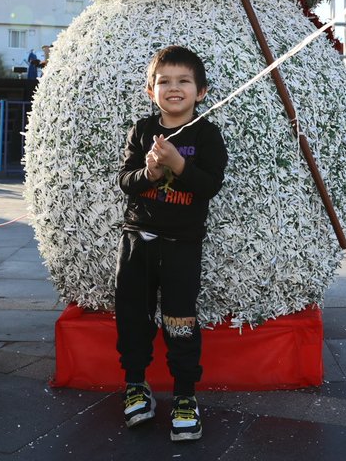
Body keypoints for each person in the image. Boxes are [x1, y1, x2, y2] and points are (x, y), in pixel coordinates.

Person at [115, 45, 228, 442]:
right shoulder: (141, 131)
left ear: (201, 91)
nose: (174, 88)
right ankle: (135, 383)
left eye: (184, 81)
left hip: (182, 245)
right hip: (138, 242)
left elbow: (209, 185)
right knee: (133, 315)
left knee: (180, 320)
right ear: (151, 91)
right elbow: (125, 181)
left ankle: (184, 395)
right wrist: (148, 173)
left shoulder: (207, 135)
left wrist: (179, 165)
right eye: (164, 81)